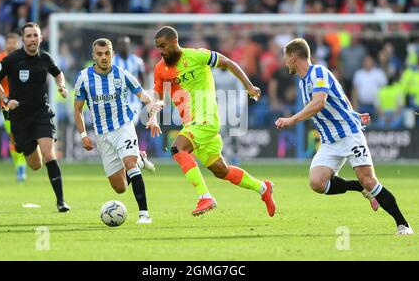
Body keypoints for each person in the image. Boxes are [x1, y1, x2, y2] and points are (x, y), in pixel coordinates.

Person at [274, 38, 413, 235]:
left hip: (349, 134)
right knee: (317, 182)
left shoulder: (318, 72)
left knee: (369, 181)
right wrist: (353, 112)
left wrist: (291, 120)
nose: (285, 62)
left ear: (293, 57)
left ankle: (403, 224)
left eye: (286, 58)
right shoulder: (302, 82)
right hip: (330, 140)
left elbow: (319, 103)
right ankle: (358, 188)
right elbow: (339, 95)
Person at [147, 26, 275, 217]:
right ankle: (263, 188)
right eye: (158, 47)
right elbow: (157, 94)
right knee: (221, 170)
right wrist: (153, 116)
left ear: (175, 42)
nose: (161, 51)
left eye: (164, 46)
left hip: (206, 118)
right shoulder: (160, 69)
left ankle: (205, 197)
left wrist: (248, 86)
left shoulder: (197, 56)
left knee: (177, 149)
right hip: (191, 123)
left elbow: (228, 63)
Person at [73, 38, 162, 224]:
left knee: (129, 163)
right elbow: (78, 109)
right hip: (103, 135)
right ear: (93, 56)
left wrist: (153, 117)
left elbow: (145, 97)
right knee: (120, 188)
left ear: (112, 54)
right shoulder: (83, 77)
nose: (104, 57)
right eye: (99, 54)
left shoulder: (122, 74)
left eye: (107, 53)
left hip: (124, 126)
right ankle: (140, 159)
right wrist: (83, 135)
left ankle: (144, 214)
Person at [0, 22, 70, 213]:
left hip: (42, 113)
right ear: (23, 39)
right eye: (29, 36)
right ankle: (28, 150)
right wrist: (7, 100)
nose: (33, 39)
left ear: (41, 38)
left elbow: (58, 74)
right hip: (20, 118)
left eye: (36, 35)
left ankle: (61, 201)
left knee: (49, 154)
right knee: (35, 165)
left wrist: (61, 86)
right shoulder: (12, 60)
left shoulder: (46, 58)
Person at [0, 32, 27, 181]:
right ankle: (19, 166)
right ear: (5, 44)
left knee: (25, 135)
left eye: (14, 42)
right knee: (13, 137)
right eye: (9, 42)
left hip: (25, 104)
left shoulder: (25, 58)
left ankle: (24, 162)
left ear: (19, 43)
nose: (11, 45)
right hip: (6, 106)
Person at [113, 36, 155, 171]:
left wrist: (145, 96)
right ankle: (135, 157)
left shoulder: (137, 61)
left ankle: (135, 157)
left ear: (129, 46)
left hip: (133, 102)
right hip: (117, 102)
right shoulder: (113, 61)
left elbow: (143, 79)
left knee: (130, 126)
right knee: (120, 130)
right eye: (120, 44)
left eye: (125, 44)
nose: (123, 47)